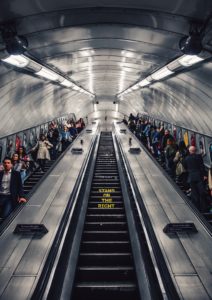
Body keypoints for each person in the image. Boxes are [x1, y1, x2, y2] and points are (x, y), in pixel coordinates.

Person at [182, 146, 207, 212]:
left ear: (190, 151)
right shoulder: (199, 157)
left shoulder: (186, 158)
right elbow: (202, 166)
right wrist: (204, 175)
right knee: (201, 192)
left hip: (191, 177)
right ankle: (203, 208)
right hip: (199, 176)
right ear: (195, 150)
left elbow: (185, 166)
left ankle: (196, 208)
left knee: (194, 192)